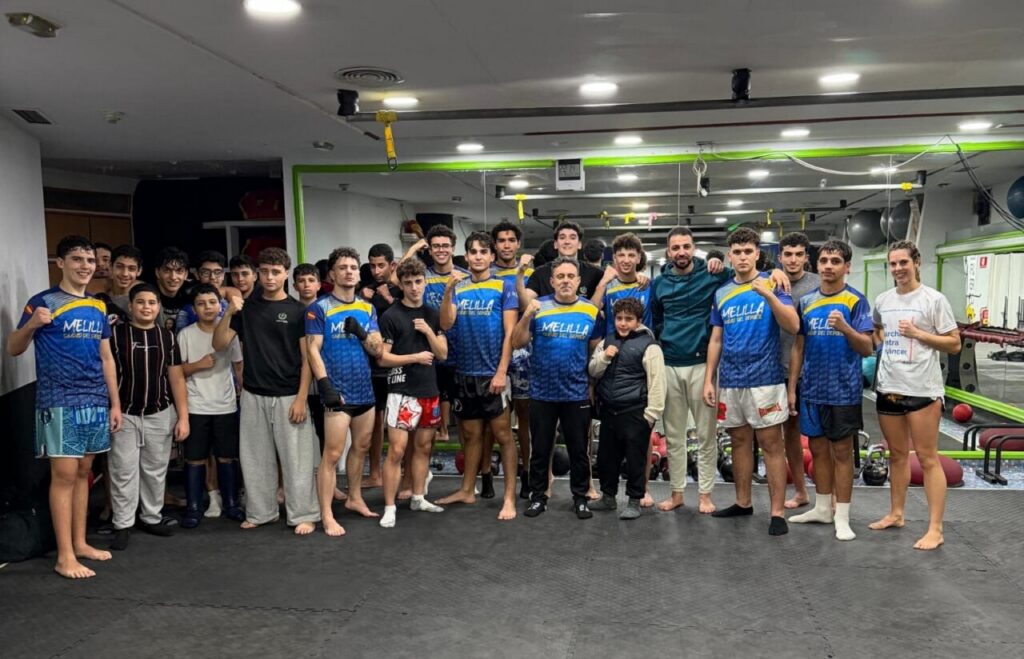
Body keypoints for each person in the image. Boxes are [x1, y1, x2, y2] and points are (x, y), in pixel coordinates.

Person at [8, 235, 122, 579]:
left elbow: (107, 358)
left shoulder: (98, 306)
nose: (85, 266)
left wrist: (114, 403)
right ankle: (65, 556)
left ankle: (80, 542)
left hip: (94, 399)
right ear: (61, 263)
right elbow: (13, 347)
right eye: (77, 259)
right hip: (58, 400)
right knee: (65, 475)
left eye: (89, 260)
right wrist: (32, 325)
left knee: (85, 472)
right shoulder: (43, 302)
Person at [214, 247, 319, 535]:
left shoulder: (298, 311)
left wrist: (301, 398)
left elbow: (307, 359)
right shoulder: (247, 309)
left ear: (286, 274)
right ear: (258, 274)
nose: (269, 277)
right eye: (264, 272)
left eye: (275, 272)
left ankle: (304, 513)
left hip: (289, 394)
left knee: (297, 460)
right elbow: (219, 344)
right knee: (255, 458)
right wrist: (229, 311)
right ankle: (262, 512)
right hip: (253, 393)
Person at [703, 228, 799, 536]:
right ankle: (743, 502)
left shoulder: (774, 282)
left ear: (757, 253)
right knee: (739, 442)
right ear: (729, 256)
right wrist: (709, 380)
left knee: (771, 444)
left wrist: (769, 294)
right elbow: (716, 339)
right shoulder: (722, 293)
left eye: (748, 251)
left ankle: (777, 512)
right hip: (731, 381)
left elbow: (793, 325)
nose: (743, 257)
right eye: (737, 252)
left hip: (765, 380)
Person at [869, 240, 960, 550]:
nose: (898, 269)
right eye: (893, 264)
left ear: (916, 262)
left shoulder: (934, 300)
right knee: (896, 455)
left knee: (927, 457)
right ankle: (896, 514)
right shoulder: (883, 300)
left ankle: (936, 529)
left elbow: (954, 343)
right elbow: (878, 329)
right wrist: (881, 341)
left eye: (903, 263)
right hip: (889, 386)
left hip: (922, 390)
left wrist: (918, 334)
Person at [786, 241, 873, 540]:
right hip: (812, 389)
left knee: (842, 453)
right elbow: (798, 347)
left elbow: (867, 347)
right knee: (818, 450)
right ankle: (822, 508)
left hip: (843, 390)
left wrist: (846, 328)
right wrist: (792, 388)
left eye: (835, 261)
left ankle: (842, 516)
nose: (828, 266)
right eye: (824, 260)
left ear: (847, 266)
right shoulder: (807, 301)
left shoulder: (855, 300)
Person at [435, 231, 519, 521]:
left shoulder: (504, 286)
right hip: (464, 373)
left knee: (503, 436)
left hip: (492, 374)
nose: (479, 256)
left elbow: (510, 333)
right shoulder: (458, 287)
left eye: (484, 252)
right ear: (466, 256)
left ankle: (509, 497)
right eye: (473, 252)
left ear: (492, 256)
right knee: (470, 435)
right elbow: (446, 323)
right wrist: (448, 291)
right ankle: (467, 490)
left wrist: (501, 371)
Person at [513, 256, 602, 519]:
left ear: (578, 281)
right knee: (540, 450)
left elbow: (594, 352)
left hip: (576, 393)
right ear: (552, 281)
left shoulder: (590, 311)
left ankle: (581, 498)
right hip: (542, 393)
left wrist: (592, 385)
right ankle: (538, 497)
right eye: (560, 276)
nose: (565, 281)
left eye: (570, 276)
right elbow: (517, 342)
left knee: (579, 451)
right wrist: (526, 315)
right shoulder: (538, 307)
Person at [650, 227, 729, 514]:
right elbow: (656, 319)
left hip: (702, 365)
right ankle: (677, 493)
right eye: (675, 248)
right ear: (668, 251)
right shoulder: (659, 284)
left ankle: (705, 494)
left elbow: (746, 276)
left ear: (694, 248)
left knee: (706, 434)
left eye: (686, 246)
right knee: (673, 436)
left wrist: (776, 273)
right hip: (670, 364)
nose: (681, 252)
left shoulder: (713, 274)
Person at [306, 247, 385, 536]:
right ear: (332, 274)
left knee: (361, 447)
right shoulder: (319, 308)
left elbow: (377, 349)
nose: (349, 272)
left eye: (353, 267)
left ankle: (354, 497)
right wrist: (324, 384)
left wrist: (362, 334)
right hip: (337, 392)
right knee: (332, 454)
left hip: (364, 389)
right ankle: (326, 514)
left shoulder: (367, 308)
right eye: (343, 267)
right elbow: (312, 349)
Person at [107, 283, 189, 550]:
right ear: (130, 306)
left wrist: (183, 417)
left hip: (160, 411)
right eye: (140, 302)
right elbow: (107, 372)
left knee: (155, 470)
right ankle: (123, 523)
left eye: (152, 303)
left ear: (158, 307)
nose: (146, 307)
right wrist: (113, 406)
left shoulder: (167, 337)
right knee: (123, 470)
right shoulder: (115, 335)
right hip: (125, 413)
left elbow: (176, 378)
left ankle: (151, 517)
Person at [378, 258, 449, 528]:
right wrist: (415, 357)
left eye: (418, 282)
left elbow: (442, 354)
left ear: (425, 282)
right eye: (408, 283)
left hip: (428, 389)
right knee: (396, 451)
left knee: (423, 448)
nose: (414, 287)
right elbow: (382, 358)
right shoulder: (391, 316)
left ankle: (418, 497)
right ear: (402, 285)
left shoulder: (432, 314)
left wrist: (429, 331)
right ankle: (389, 507)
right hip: (402, 391)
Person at [589, 232, 655, 506]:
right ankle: (608, 493)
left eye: (631, 255)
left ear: (639, 258)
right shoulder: (608, 286)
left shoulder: (649, 285)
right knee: (610, 438)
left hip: (640, 358)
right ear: (614, 259)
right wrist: (603, 282)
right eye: (621, 255)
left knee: (641, 433)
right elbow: (589, 313)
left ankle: (643, 489)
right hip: (610, 357)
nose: (626, 260)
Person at [588, 297, 666, 520]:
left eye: (628, 319)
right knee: (606, 458)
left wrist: (651, 415)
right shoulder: (607, 341)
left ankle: (634, 500)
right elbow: (593, 370)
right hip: (609, 410)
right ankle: (608, 497)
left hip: (635, 411)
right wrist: (605, 357)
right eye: (619, 318)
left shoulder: (650, 346)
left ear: (638, 321)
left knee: (635, 460)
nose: (623, 323)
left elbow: (657, 382)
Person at [177, 283, 245, 528]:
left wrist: (244, 395)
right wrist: (197, 365)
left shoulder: (229, 332)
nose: (207, 307)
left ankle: (231, 504)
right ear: (194, 308)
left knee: (227, 457)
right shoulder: (185, 335)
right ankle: (194, 507)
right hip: (196, 406)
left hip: (225, 405)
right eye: (201, 303)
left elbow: (238, 366)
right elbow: (176, 371)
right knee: (195, 459)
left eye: (212, 302)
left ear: (221, 305)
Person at [398, 225, 469, 445]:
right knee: (425, 422)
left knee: (466, 421)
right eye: (436, 246)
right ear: (429, 250)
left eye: (445, 246)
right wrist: (413, 249)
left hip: (462, 352)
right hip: (428, 354)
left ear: (453, 248)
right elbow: (396, 278)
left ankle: (466, 464)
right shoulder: (423, 277)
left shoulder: (464, 276)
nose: (441, 250)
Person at [775, 232, 820, 509]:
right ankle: (801, 491)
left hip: (812, 371)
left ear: (806, 257)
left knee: (819, 437)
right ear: (779, 257)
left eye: (799, 254)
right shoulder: (770, 282)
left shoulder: (818, 284)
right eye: (788, 255)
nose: (793, 260)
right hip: (778, 369)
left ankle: (829, 496)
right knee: (789, 434)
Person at [491, 221, 534, 499]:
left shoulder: (531, 272)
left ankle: (527, 473)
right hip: (494, 352)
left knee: (526, 418)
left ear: (518, 243)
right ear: (495, 244)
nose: (506, 245)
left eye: (511, 240)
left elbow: (532, 307)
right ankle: (486, 475)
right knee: (495, 420)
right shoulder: (486, 272)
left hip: (525, 352)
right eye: (501, 240)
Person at [362, 243, 402, 489]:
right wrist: (363, 299)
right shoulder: (365, 291)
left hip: (398, 365)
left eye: (381, 265)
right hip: (373, 367)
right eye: (372, 266)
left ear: (392, 265)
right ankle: (375, 473)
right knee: (375, 423)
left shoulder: (401, 289)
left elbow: (406, 315)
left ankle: (405, 475)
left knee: (400, 422)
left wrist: (388, 297)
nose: (376, 271)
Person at [521, 222, 604, 305]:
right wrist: (520, 273)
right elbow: (525, 304)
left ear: (579, 244)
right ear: (555, 244)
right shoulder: (540, 273)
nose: (567, 242)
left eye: (572, 238)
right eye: (562, 238)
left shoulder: (595, 273)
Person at [175, 251, 241, 332]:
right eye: (206, 272)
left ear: (223, 275)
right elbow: (181, 337)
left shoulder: (229, 304)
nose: (212, 277)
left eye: (217, 272)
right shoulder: (187, 310)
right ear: (197, 274)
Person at [97, 244, 143, 327]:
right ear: (110, 267)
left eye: (131, 269)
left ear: (139, 271)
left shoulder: (147, 300)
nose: (125, 274)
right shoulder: (100, 299)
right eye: (119, 267)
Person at [154, 247, 191, 332]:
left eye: (179, 271)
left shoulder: (191, 294)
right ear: (157, 272)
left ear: (186, 274)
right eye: (167, 270)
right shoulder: (147, 294)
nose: (173, 277)